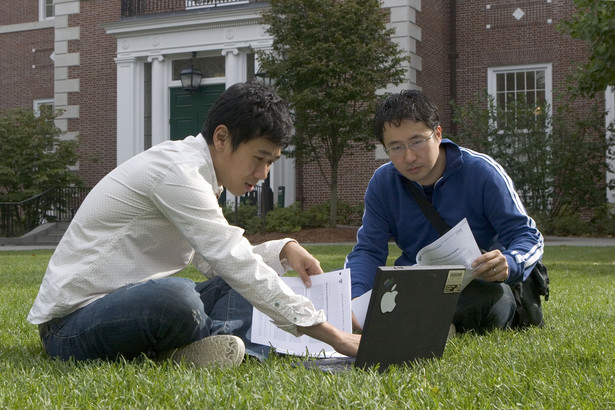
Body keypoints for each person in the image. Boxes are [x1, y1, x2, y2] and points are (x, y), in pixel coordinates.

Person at [28, 81, 360, 367]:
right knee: (176, 297)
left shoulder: (200, 174)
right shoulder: (177, 173)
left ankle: (207, 346)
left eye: (271, 163)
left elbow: (215, 262)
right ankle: (222, 339)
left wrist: (284, 250)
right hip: (71, 325)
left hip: (127, 309)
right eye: (258, 159)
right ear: (221, 137)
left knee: (237, 284)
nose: (262, 175)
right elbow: (229, 257)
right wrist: (333, 336)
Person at [345, 89, 544, 334]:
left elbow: (527, 236)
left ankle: (423, 327)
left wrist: (510, 262)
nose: (409, 157)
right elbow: (368, 250)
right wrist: (354, 300)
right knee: (358, 289)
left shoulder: (481, 172)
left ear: (437, 134)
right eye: (395, 147)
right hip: (416, 287)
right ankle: (427, 324)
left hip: (479, 284)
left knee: (492, 298)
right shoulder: (383, 182)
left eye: (417, 142)